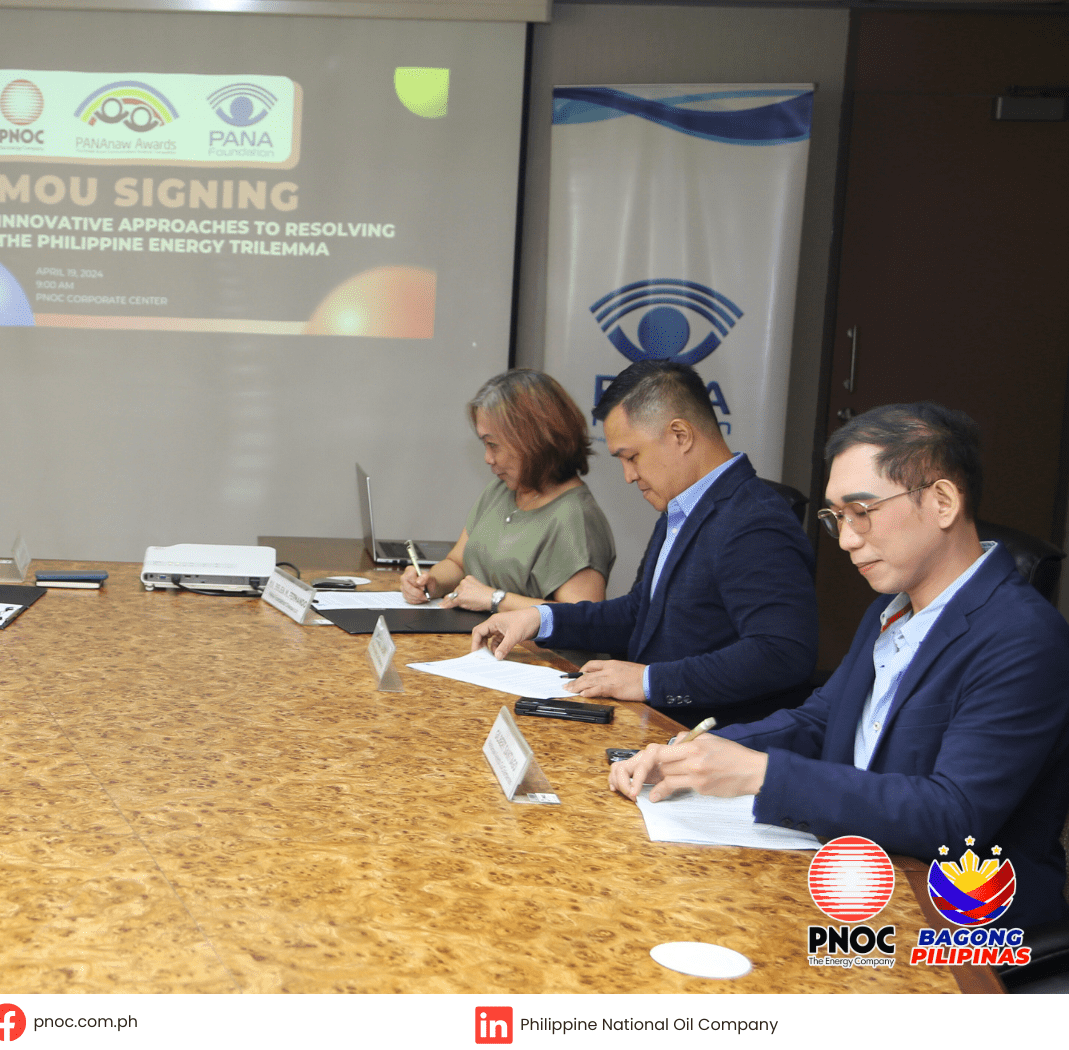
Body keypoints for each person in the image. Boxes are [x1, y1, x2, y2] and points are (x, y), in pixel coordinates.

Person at [610, 404, 1069, 928]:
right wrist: (693, 752)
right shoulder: (890, 609)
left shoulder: (1023, 637)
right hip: (859, 874)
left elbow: (953, 816)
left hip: (956, 920)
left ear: (942, 501)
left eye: (862, 511)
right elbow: (820, 720)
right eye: (837, 518)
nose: (847, 539)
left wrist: (763, 774)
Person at [468, 359, 816, 727]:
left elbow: (782, 653)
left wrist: (649, 681)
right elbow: (640, 614)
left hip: (702, 737)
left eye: (632, 457)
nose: (629, 475)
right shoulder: (682, 506)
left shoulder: (755, 520)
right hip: (647, 722)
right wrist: (540, 618)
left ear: (680, 435)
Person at [400, 369, 616, 612]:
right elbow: (458, 563)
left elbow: (581, 619)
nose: (487, 458)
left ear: (534, 439)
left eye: (493, 445)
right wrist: (431, 581)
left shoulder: (576, 518)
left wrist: (495, 599)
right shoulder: (501, 491)